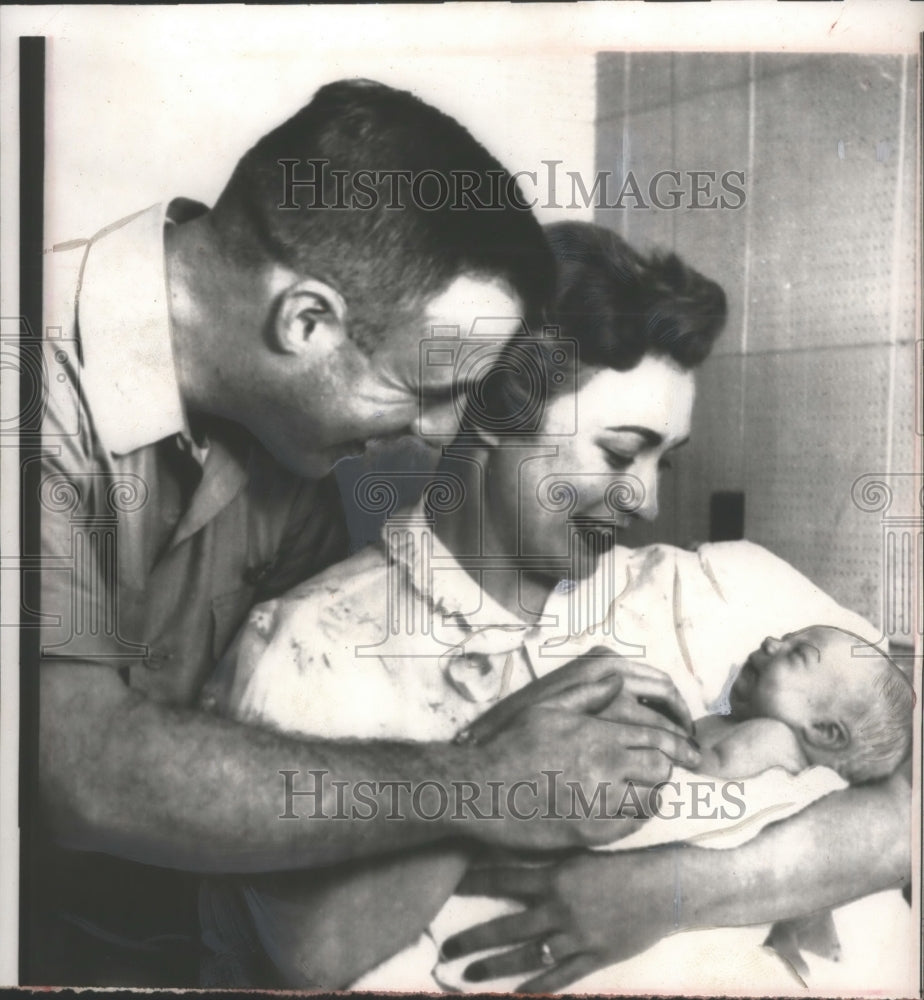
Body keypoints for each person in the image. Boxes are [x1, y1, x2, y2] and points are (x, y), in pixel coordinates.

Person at [34, 80, 624, 988]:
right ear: (304, 320)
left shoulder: (290, 431)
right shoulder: (26, 379)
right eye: (429, 389)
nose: (440, 432)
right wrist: (485, 781)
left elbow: (285, 722)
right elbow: (78, 771)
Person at [195, 221, 733, 988]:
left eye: (663, 461)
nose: (646, 500)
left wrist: (669, 891)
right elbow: (313, 958)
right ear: (490, 414)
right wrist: (495, 762)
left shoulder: (690, 590)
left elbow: (902, 810)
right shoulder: (313, 650)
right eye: (618, 452)